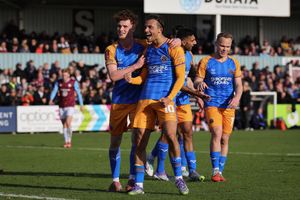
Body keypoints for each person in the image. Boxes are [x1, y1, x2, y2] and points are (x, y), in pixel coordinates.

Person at [126, 14, 189, 195]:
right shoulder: (148, 50)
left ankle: (178, 178)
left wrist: (170, 97)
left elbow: (180, 78)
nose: (146, 30)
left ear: (159, 29)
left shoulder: (174, 48)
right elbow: (144, 77)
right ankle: (139, 185)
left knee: (170, 135)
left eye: (150, 27)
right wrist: (133, 80)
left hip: (165, 100)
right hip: (145, 99)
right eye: (145, 27)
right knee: (139, 142)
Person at [145, 28, 209, 182]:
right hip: (171, 98)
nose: (195, 43)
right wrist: (197, 94)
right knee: (168, 135)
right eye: (192, 40)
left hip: (184, 99)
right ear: (184, 40)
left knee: (187, 132)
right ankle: (160, 169)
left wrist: (195, 92)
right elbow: (176, 82)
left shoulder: (190, 55)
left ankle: (191, 170)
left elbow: (186, 78)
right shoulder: (173, 51)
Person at [104, 9, 145, 193]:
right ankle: (115, 180)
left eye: (125, 26)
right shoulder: (111, 50)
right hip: (119, 101)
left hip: (138, 101)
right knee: (115, 142)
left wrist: (174, 40)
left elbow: (164, 44)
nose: (121, 29)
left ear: (132, 27)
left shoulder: (143, 45)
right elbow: (114, 75)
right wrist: (135, 66)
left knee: (137, 141)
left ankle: (131, 179)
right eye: (119, 26)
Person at [194, 32, 243, 182]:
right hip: (212, 103)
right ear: (216, 44)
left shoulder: (234, 63)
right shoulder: (206, 61)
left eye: (227, 46)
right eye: (222, 45)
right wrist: (199, 84)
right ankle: (215, 170)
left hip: (229, 105)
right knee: (217, 132)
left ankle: (220, 171)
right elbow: (197, 80)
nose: (224, 49)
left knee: (225, 138)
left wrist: (236, 98)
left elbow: (239, 85)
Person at [49, 68, 84, 148]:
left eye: (65, 75)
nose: (64, 76)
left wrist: (81, 104)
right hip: (61, 106)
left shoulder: (73, 82)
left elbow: (78, 93)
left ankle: (69, 141)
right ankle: (66, 141)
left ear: (68, 75)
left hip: (70, 105)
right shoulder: (59, 82)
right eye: (63, 75)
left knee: (68, 123)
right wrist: (51, 99)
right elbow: (54, 90)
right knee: (64, 124)